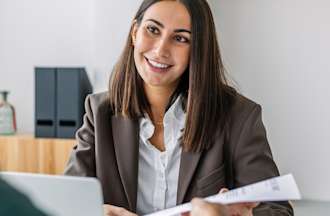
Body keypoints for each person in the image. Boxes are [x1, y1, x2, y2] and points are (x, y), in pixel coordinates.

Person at [64, 0, 293, 215]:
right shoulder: (99, 113)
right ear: (135, 32)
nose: (161, 50)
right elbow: (66, 203)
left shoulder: (238, 116)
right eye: (153, 30)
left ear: (197, 49)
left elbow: (277, 209)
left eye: (181, 38)